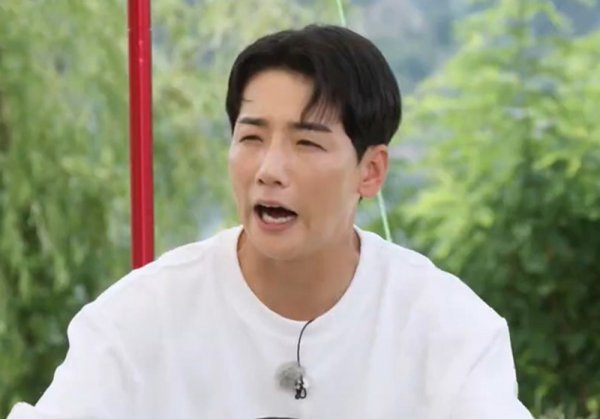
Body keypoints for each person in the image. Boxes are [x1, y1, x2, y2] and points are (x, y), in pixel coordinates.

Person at [8, 25, 533, 419]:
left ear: (371, 170)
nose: (270, 170)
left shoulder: (449, 329)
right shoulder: (139, 319)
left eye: (306, 143)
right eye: (252, 138)